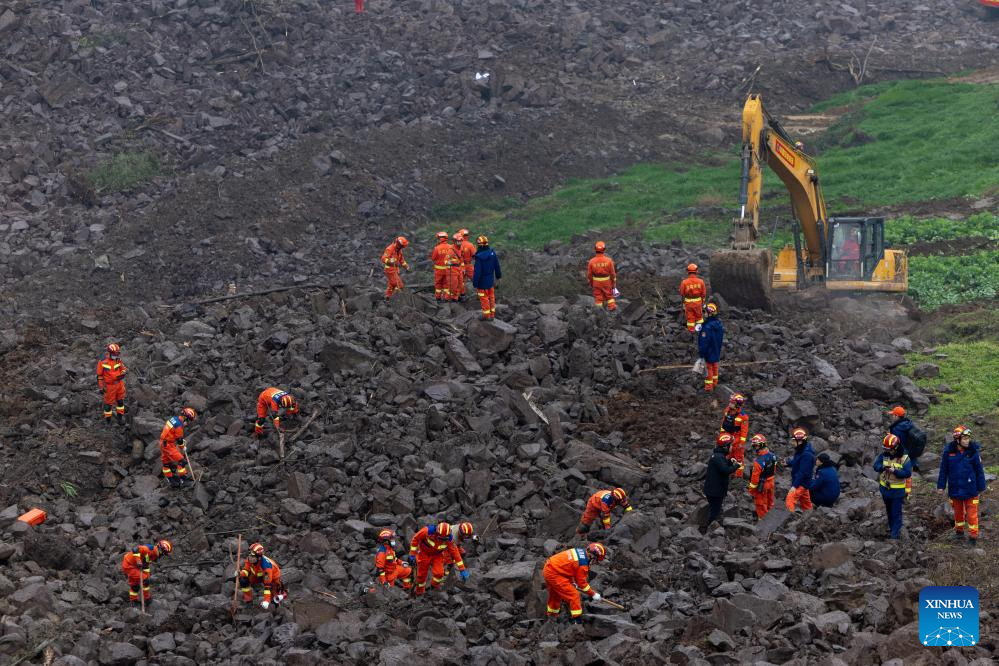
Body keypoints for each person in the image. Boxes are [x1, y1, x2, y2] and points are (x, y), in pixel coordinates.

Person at [937, 426, 987, 546]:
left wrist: (981, 487)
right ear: (957, 440)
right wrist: (941, 486)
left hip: (971, 489)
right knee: (958, 512)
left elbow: (979, 471)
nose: (967, 441)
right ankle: (959, 532)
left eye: (968, 438)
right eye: (964, 438)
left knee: (971, 514)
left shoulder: (973, 452)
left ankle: (973, 536)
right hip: (955, 488)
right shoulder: (948, 452)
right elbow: (943, 470)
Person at [543, 543, 606, 622]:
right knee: (574, 595)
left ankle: (552, 616)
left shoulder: (579, 551)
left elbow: (569, 568)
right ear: (592, 556)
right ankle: (578, 621)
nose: (595, 563)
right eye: (596, 560)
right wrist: (593, 594)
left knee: (555, 594)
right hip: (554, 574)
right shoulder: (583, 564)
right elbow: (582, 584)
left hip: (550, 568)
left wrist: (572, 582)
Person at [408, 522, 468, 595]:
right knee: (421, 575)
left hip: (437, 555)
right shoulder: (427, 531)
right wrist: (412, 554)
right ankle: (419, 592)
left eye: (444, 539)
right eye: (440, 538)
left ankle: (434, 587)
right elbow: (415, 539)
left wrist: (462, 569)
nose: (442, 541)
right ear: (436, 533)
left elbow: (455, 553)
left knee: (439, 573)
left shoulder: (449, 539)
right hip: (423, 554)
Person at [874, 433, 912, 540]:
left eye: (889, 449)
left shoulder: (904, 458)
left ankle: (895, 535)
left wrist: (895, 471)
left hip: (897, 491)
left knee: (896, 513)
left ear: (896, 448)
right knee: (889, 511)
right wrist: (882, 467)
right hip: (885, 490)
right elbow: (875, 466)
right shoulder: (884, 455)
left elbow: (907, 473)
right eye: (886, 449)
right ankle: (892, 529)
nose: (887, 451)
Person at [703, 433, 742, 531]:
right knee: (714, 511)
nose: (732, 447)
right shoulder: (718, 457)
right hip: (715, 491)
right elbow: (725, 470)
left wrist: (729, 461)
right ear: (725, 447)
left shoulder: (718, 456)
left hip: (713, 490)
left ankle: (713, 524)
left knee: (715, 508)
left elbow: (723, 465)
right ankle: (710, 528)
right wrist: (736, 465)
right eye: (731, 445)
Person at [121, 539, 172, 605]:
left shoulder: (154, 555)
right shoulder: (149, 549)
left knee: (135, 585)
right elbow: (135, 549)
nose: (162, 556)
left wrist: (147, 575)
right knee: (145, 580)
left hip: (135, 567)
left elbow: (146, 564)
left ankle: (133, 601)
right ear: (160, 550)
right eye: (163, 554)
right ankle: (146, 598)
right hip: (129, 565)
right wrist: (138, 560)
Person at [240, 542, 287, 609]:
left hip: (273, 577)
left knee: (275, 598)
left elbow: (267, 586)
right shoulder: (250, 559)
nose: (250, 558)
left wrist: (266, 600)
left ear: (258, 558)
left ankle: (276, 605)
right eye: (250, 555)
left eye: (252, 556)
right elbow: (246, 570)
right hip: (257, 575)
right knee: (243, 581)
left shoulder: (266, 567)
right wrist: (241, 573)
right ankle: (248, 600)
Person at [159, 407, 196, 487]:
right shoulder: (179, 425)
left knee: (166, 464)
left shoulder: (174, 419)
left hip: (163, 443)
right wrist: (183, 447)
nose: (188, 423)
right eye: (189, 420)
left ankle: (171, 480)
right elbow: (179, 440)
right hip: (168, 445)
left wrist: (181, 441)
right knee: (182, 461)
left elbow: (173, 435)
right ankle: (183, 480)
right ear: (186, 417)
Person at [784, 427, 815, 512]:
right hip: (803, 482)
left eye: (794, 441)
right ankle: (810, 518)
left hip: (801, 483)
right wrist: (788, 463)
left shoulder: (807, 455)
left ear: (800, 441)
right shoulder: (801, 450)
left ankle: (787, 521)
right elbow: (797, 461)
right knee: (806, 505)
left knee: (790, 499)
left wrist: (795, 486)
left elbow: (803, 472)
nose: (792, 443)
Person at [96, 343, 128, 425]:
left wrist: (123, 373)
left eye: (117, 354)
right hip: (109, 386)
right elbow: (99, 376)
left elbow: (123, 368)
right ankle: (108, 422)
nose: (116, 356)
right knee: (108, 405)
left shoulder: (117, 359)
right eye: (114, 354)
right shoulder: (102, 362)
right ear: (109, 353)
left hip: (119, 384)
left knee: (120, 401)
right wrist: (101, 387)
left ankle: (120, 418)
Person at [746, 434, 776, 520]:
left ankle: (764, 524)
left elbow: (754, 480)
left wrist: (752, 490)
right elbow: (773, 469)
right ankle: (772, 519)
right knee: (770, 502)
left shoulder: (758, 462)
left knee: (761, 505)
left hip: (762, 485)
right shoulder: (773, 456)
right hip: (771, 482)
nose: (754, 448)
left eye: (755, 446)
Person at [472, 235, 501, 320]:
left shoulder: (479, 258)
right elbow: (497, 266)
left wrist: (475, 283)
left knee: (484, 298)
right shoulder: (492, 253)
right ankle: (492, 315)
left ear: (480, 245)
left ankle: (486, 315)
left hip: (482, 282)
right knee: (491, 296)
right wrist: (498, 277)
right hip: (490, 280)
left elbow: (477, 272)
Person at [888, 405, 924, 474]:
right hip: (911, 454)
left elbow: (896, 444)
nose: (892, 417)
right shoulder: (909, 423)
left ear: (896, 416)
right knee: (909, 474)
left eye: (893, 415)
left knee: (903, 476)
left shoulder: (896, 428)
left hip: (903, 456)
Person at [720, 393, 749, 477]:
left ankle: (738, 475)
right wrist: (722, 435)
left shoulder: (743, 417)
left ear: (737, 405)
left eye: (732, 403)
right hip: (727, 436)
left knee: (738, 457)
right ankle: (728, 471)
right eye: (730, 402)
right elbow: (723, 423)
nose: (730, 404)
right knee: (727, 455)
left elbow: (744, 431)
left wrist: (741, 443)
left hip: (737, 438)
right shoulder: (727, 410)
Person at [697, 303, 723, 392]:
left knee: (708, 369)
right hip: (716, 349)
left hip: (708, 351)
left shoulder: (707, 327)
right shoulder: (718, 324)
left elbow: (704, 342)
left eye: (705, 312)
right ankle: (715, 383)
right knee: (715, 366)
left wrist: (701, 353)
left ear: (709, 313)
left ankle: (709, 387)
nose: (704, 314)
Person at [587, 241, 617, 312]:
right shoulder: (609, 261)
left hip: (596, 282)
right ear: (604, 249)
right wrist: (614, 283)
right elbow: (612, 273)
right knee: (609, 296)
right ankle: (612, 309)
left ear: (595, 249)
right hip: (606, 282)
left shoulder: (591, 261)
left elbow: (589, 275)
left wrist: (591, 283)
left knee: (598, 297)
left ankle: (599, 311)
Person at [431, 231, 460, 301]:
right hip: (449, 270)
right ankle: (446, 297)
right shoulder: (451, 247)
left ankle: (438, 297)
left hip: (439, 270)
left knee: (438, 284)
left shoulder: (437, 248)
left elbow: (433, 258)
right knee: (446, 284)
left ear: (440, 239)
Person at [679, 263, 707, 333]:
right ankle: (699, 332)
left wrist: (683, 304)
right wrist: (703, 303)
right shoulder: (701, 282)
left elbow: (682, 294)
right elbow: (703, 294)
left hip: (688, 304)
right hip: (698, 303)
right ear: (696, 271)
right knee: (699, 318)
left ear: (688, 271)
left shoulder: (684, 282)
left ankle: (691, 332)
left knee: (690, 319)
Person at [380, 236, 410, 300]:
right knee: (399, 285)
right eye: (402, 246)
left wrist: (406, 266)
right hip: (390, 270)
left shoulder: (399, 250)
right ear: (399, 245)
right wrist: (389, 260)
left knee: (391, 285)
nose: (403, 248)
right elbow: (383, 258)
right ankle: (397, 300)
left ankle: (387, 297)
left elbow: (401, 260)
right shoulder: (390, 249)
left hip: (395, 270)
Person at [450, 232, 468, 301]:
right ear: (454, 241)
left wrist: (463, 268)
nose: (459, 242)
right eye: (458, 241)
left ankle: (460, 296)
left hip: (459, 269)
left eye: (460, 241)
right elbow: (446, 261)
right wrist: (454, 262)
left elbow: (461, 259)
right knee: (454, 284)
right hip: (453, 269)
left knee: (461, 283)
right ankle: (454, 298)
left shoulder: (461, 248)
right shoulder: (450, 249)